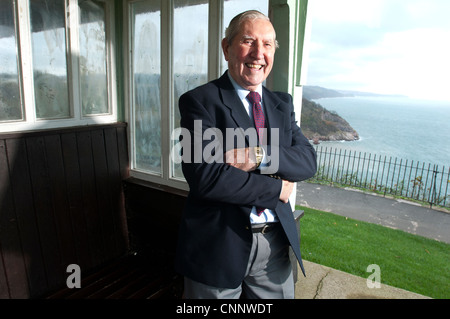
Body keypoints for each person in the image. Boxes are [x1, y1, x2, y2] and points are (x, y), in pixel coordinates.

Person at [174, 10, 317, 299]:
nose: (258, 53)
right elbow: (207, 177)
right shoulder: (199, 102)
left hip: (275, 245)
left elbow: (307, 161)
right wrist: (278, 187)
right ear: (227, 47)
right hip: (218, 246)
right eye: (249, 41)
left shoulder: (281, 104)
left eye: (267, 44)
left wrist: (259, 155)